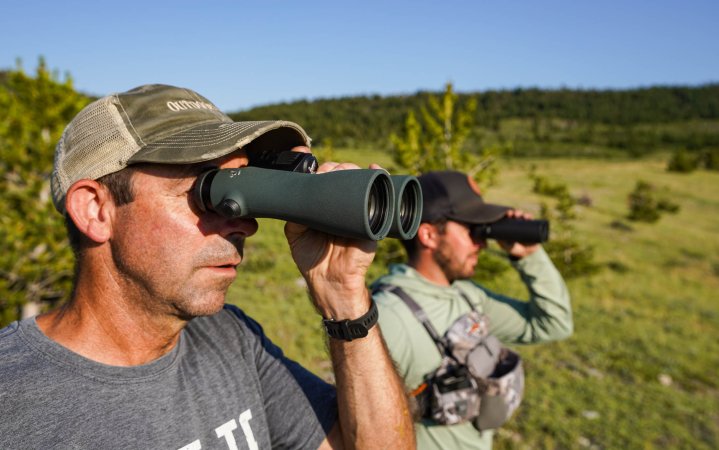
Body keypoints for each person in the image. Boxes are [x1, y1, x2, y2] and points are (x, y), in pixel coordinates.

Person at [0, 84, 414, 449]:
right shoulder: (14, 400)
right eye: (207, 191)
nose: (244, 224)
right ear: (95, 209)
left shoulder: (230, 338)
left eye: (241, 187)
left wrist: (343, 297)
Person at [371, 170, 573, 449]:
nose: (483, 243)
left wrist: (529, 256)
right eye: (472, 230)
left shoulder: (468, 296)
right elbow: (363, 428)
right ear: (428, 234)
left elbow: (553, 323)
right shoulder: (390, 317)